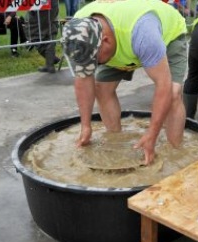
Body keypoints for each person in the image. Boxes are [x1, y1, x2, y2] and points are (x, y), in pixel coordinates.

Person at [61, 0, 188, 165]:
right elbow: (83, 78)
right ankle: (116, 139)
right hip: (123, 45)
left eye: (94, 60)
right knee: (102, 88)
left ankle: (175, 153)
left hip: (166, 36)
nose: (94, 65)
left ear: (105, 40)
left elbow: (163, 86)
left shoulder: (143, 33)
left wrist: (152, 134)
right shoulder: (79, 30)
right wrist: (86, 126)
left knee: (172, 93)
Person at [24, 0, 60, 73]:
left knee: (34, 32)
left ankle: (50, 60)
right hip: (50, 4)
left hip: (42, 4)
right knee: (49, 31)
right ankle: (50, 63)